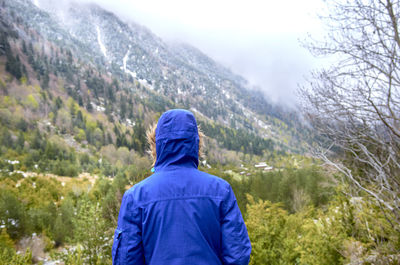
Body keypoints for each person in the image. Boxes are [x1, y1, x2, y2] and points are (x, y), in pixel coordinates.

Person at [112, 109, 251, 265]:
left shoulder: (136, 197)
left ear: (156, 145)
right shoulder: (221, 191)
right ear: (196, 144)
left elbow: (126, 260)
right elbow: (238, 256)